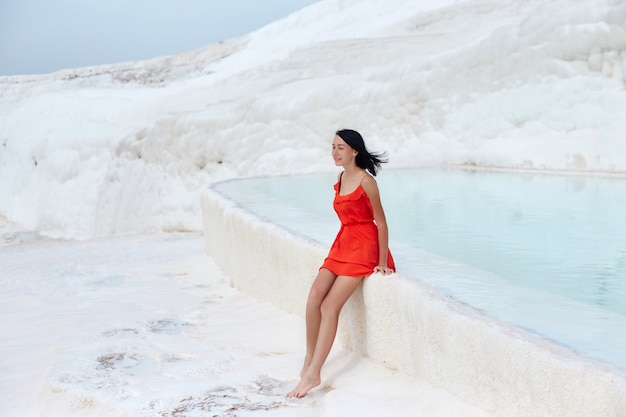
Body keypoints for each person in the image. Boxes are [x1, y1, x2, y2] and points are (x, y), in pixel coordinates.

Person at [287, 129, 396, 398]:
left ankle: (314, 373)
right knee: (314, 296)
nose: (335, 152)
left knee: (329, 305)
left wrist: (381, 261)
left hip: (363, 248)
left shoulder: (366, 181)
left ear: (355, 151)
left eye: (341, 147)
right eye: (333, 147)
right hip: (342, 243)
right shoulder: (341, 177)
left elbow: (380, 222)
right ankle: (309, 361)